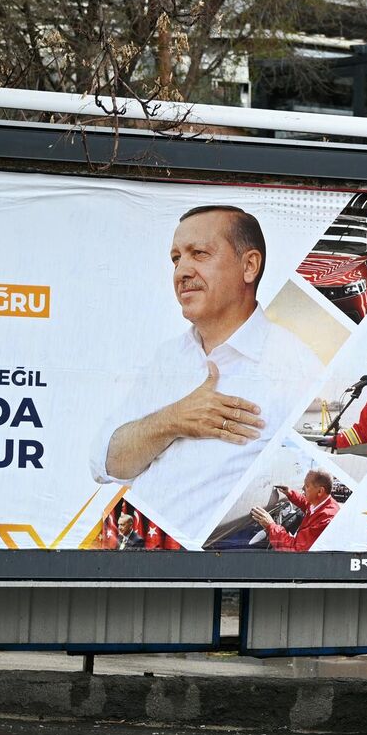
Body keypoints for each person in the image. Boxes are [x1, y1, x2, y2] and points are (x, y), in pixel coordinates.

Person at [91, 205, 324, 541]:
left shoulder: (294, 365)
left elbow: (306, 469)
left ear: (249, 266)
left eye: (198, 253)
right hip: (131, 553)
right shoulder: (169, 356)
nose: (181, 271)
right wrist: (175, 420)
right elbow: (107, 463)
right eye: (176, 258)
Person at [250, 468, 340, 552]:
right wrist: (290, 493)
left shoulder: (326, 520)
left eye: (307, 486)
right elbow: (307, 505)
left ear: (320, 491)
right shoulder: (324, 503)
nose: (303, 488)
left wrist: (271, 526)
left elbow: (295, 549)